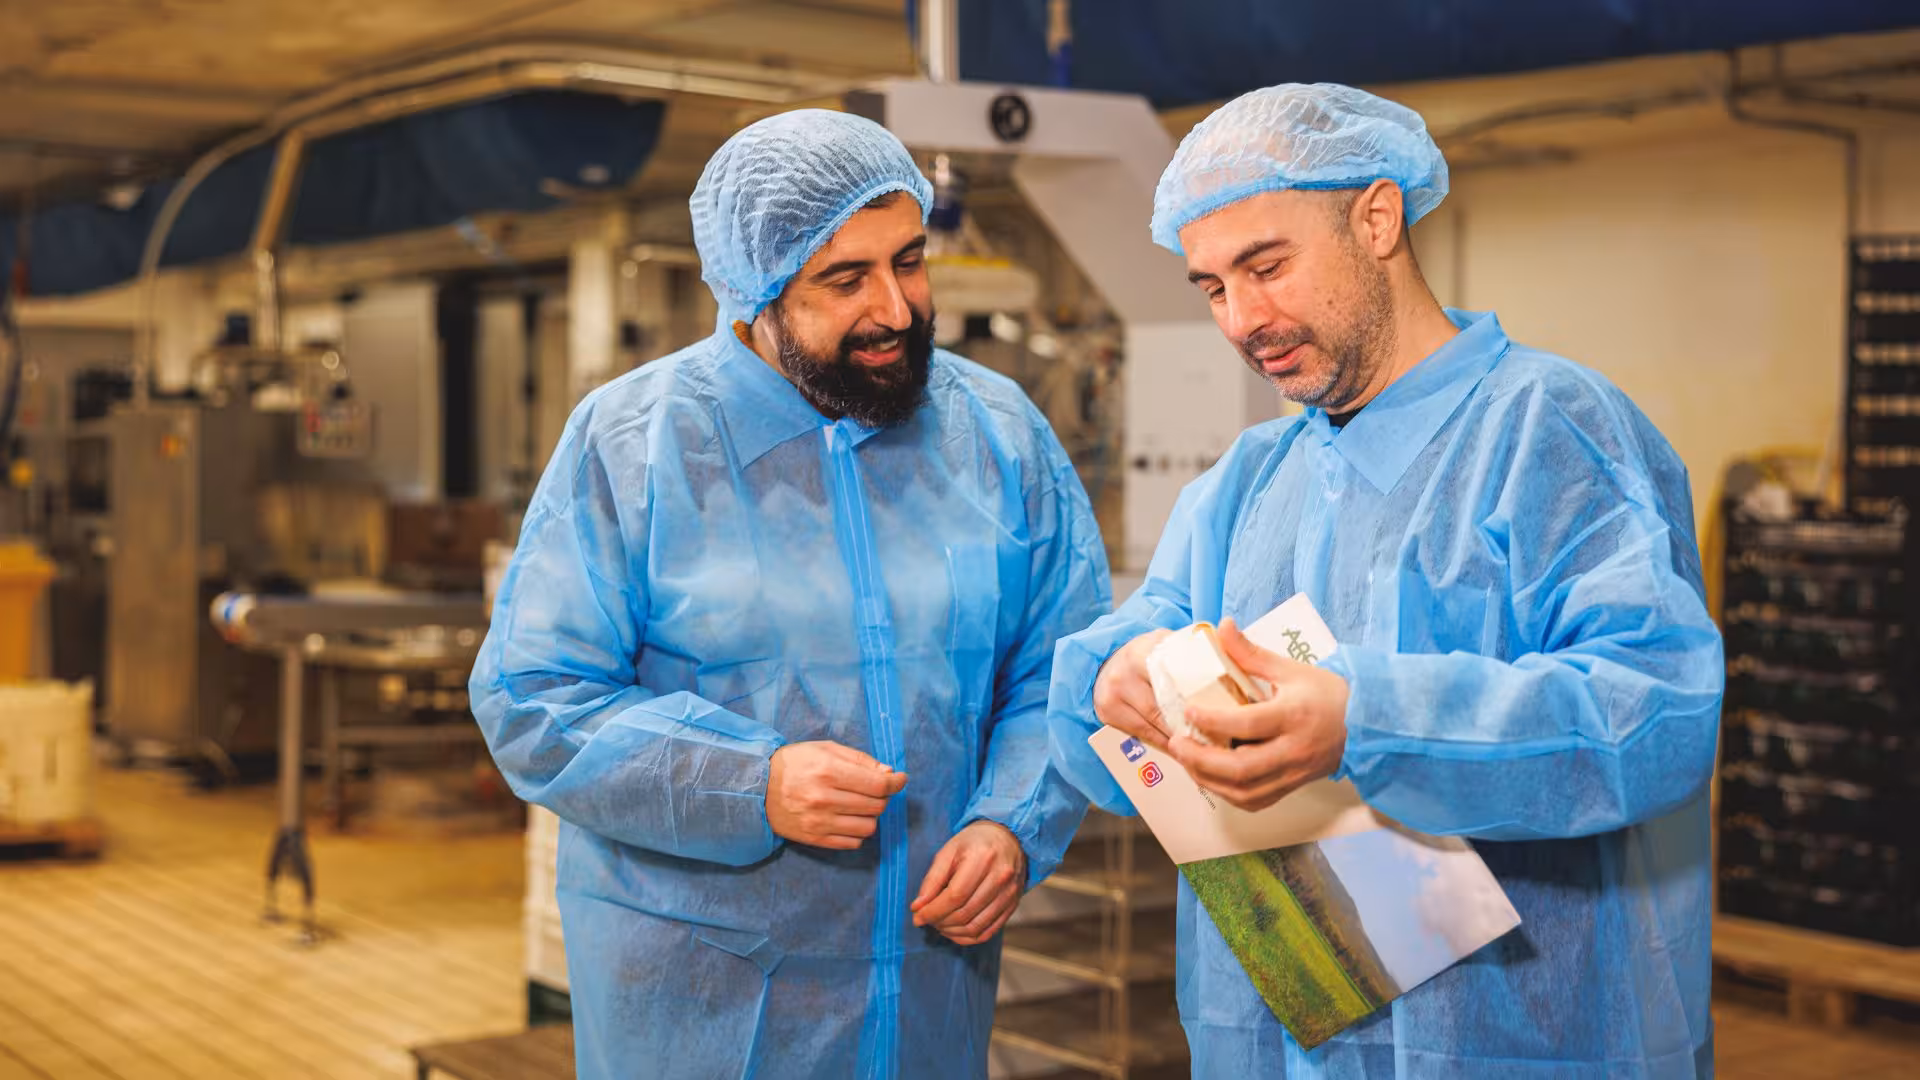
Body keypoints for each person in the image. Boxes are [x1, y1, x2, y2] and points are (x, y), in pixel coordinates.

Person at [1046, 83, 1723, 1078]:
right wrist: (1118, 676)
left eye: (1266, 266)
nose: (1242, 319)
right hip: (1277, 1038)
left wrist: (1367, 722)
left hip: (1523, 1038)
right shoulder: (1247, 483)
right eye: (1213, 288)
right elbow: (1106, 689)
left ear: (1376, 216)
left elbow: (1657, 716)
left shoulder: (1550, 429)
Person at [472, 109, 1109, 1079]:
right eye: (844, 280)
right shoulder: (635, 444)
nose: (896, 308)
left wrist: (1011, 824)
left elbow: (1064, 665)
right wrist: (750, 783)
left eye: (909, 259)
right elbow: (534, 699)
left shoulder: (998, 433)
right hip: (701, 1007)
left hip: (929, 1000)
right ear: (756, 292)